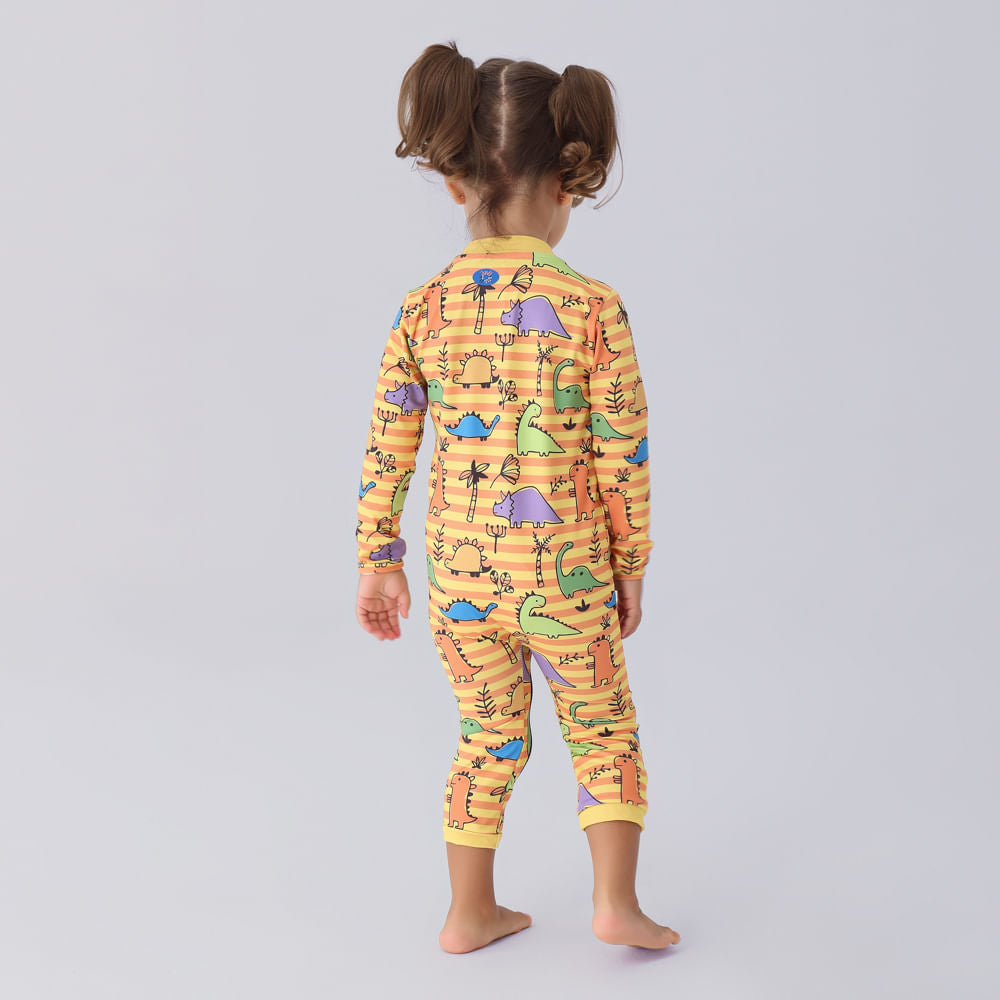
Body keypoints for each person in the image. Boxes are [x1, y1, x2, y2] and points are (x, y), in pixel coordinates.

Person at [354, 41, 680, 954]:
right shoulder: (593, 307)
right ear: (568, 184)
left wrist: (379, 561)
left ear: (454, 182)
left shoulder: (422, 308)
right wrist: (630, 566)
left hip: (462, 578)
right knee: (602, 726)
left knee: (484, 735)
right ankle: (615, 903)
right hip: (567, 572)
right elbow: (623, 453)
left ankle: (468, 912)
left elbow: (389, 444)